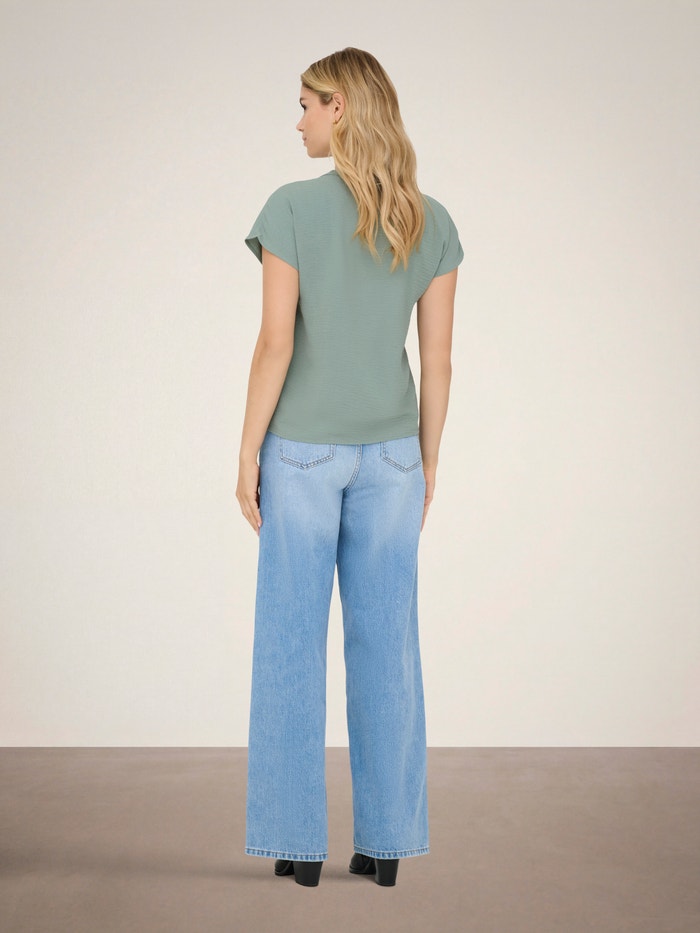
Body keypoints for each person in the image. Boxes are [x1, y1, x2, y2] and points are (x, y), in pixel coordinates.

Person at [236, 47, 463, 888]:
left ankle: (297, 845)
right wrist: (426, 460)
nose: (297, 120)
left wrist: (248, 449)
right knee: (387, 644)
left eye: (306, 103)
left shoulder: (292, 208)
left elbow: (275, 341)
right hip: (394, 457)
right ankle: (387, 844)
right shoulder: (430, 220)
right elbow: (437, 362)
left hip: (302, 451)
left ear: (340, 108)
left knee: (290, 642)